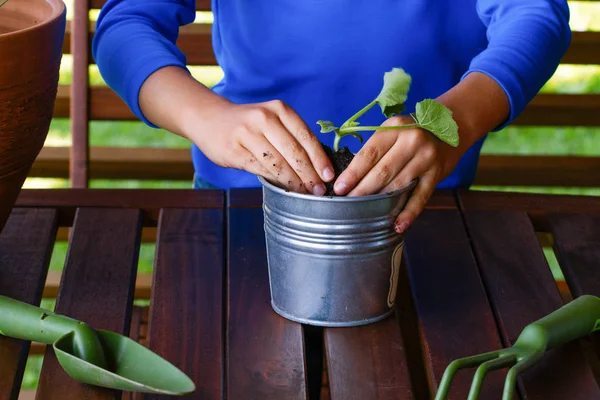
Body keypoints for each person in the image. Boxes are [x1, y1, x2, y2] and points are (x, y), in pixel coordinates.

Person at [92, 0, 571, 233]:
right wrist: (207, 118)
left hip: (424, 215)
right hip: (240, 210)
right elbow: (126, 24)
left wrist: (456, 121)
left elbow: (534, 15)